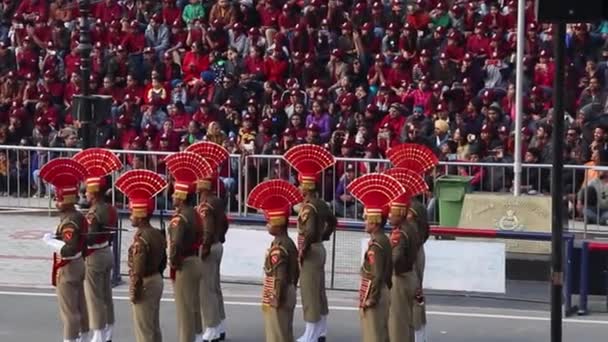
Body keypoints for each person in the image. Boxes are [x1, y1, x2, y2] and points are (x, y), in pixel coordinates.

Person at [284, 144, 337, 342]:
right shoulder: (321, 203)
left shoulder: (308, 208)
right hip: (319, 248)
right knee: (319, 291)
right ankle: (320, 330)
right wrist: (325, 236)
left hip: (311, 252)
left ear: (304, 188)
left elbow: (309, 231)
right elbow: (332, 221)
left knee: (310, 293)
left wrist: (303, 250)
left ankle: (311, 334)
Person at [73, 148, 122, 342]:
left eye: (88, 192)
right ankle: (108, 329)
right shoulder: (111, 209)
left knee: (94, 296)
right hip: (108, 252)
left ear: (94, 192)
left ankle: (99, 334)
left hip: (94, 255)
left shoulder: (94, 212)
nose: (87, 195)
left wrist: (79, 236)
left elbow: (91, 237)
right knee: (106, 294)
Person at [347, 173, 404, 342]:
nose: (365, 222)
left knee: (374, 335)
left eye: (366, 219)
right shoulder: (382, 240)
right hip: (382, 291)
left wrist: (372, 297)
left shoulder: (376, 246)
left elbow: (377, 274)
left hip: (376, 293)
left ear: (374, 220)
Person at [39, 158, 90, 342]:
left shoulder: (69, 221)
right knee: (81, 306)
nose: (56, 202)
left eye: (58, 199)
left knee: (69, 310)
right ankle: (83, 337)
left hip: (69, 266)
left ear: (65, 201)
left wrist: (50, 242)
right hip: (79, 264)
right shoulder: (77, 216)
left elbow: (69, 249)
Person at [115, 169, 168, 342]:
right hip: (157, 279)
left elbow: (137, 270)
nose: (130, 216)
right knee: (153, 326)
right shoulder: (157, 234)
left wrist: (134, 290)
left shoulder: (141, 239)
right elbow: (163, 261)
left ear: (139, 214)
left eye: (132, 212)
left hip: (145, 283)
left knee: (144, 329)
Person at [186, 141, 231, 341]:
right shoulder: (217, 201)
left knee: (207, 290)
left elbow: (207, 228)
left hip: (209, 247)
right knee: (215, 287)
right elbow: (224, 224)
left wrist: (204, 246)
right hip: (218, 245)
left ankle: (211, 328)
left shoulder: (204, 206)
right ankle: (220, 324)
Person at [247, 179, 302, 342]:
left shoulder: (278, 247)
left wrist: (276, 295)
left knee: (277, 335)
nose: (267, 225)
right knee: (284, 333)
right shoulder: (288, 242)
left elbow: (280, 275)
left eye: (269, 221)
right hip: (289, 289)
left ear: (277, 223)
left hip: (280, 292)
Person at [166, 151, 210, 342]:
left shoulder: (179, 219)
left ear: (182, 196)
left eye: (176, 193)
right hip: (196, 260)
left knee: (184, 308)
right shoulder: (195, 213)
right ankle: (198, 336)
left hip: (185, 263)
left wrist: (173, 264)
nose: (173, 196)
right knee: (193, 305)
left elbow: (175, 245)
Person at [384, 168, 429, 342]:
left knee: (413, 297)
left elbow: (419, 234)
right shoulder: (418, 206)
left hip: (411, 254)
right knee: (415, 294)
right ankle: (419, 332)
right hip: (414, 251)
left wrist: (410, 248)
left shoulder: (412, 209)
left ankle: (418, 333)